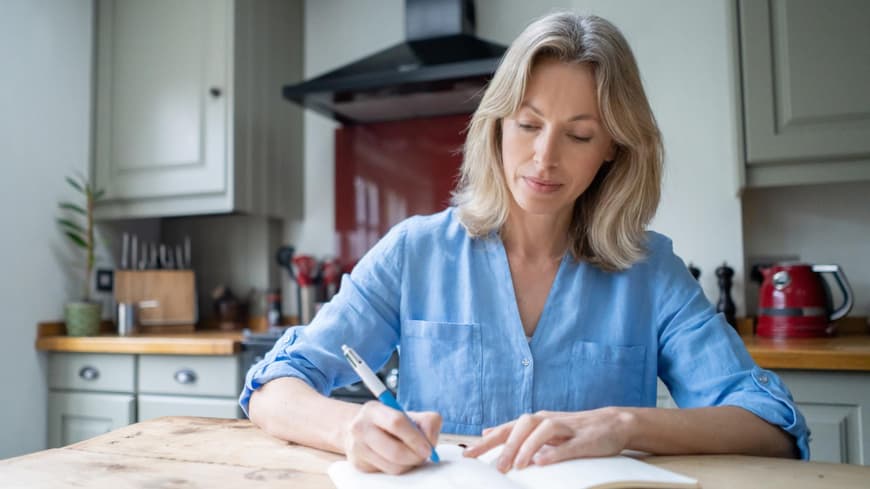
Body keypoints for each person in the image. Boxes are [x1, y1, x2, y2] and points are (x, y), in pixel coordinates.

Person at [240, 12, 809, 475]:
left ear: (612, 148)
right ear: (497, 124)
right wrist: (350, 428)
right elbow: (271, 387)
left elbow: (772, 425)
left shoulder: (651, 271)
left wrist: (621, 425)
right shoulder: (414, 253)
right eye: (529, 124)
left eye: (579, 135)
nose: (544, 158)